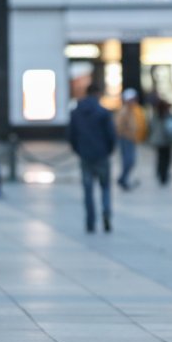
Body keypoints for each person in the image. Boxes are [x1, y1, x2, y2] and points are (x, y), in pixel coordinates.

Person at [68, 83, 116, 233]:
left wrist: (79, 150)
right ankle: (106, 213)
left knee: (88, 190)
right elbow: (111, 135)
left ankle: (90, 221)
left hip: (85, 155)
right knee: (105, 187)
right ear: (98, 93)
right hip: (101, 154)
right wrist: (108, 150)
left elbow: (71, 135)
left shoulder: (76, 112)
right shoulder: (103, 112)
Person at [115, 88, 147, 190]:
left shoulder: (133, 109)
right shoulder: (124, 111)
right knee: (129, 160)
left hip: (131, 139)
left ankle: (123, 179)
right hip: (126, 139)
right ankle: (123, 179)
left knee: (130, 161)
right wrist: (124, 134)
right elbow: (118, 126)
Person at [148, 98, 172, 185]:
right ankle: (163, 174)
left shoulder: (155, 116)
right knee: (166, 158)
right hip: (166, 140)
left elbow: (151, 127)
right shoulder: (167, 116)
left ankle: (161, 173)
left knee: (161, 158)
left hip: (158, 141)